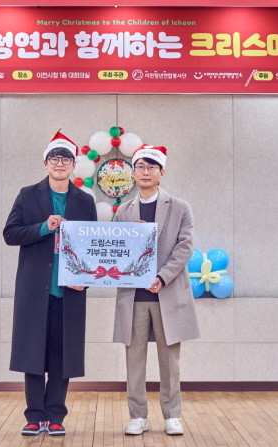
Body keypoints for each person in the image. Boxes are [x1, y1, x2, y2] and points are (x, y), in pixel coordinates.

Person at [3, 131, 97, 437]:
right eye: (54, 158)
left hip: (69, 292)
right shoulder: (28, 195)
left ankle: (56, 415)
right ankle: (34, 416)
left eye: (66, 159)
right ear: (45, 163)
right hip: (34, 291)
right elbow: (10, 234)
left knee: (61, 356)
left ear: (73, 166)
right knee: (32, 354)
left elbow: (93, 247)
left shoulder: (85, 201)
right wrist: (44, 227)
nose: (60, 163)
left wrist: (85, 280)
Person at [113, 144, 200, 436]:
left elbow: (184, 247)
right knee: (134, 359)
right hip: (133, 295)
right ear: (133, 172)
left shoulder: (180, 207)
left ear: (162, 172)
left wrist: (162, 277)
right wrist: (131, 237)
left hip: (167, 293)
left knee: (170, 360)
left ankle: (172, 415)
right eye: (140, 166)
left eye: (152, 167)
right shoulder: (123, 211)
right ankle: (138, 416)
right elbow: (116, 251)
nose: (145, 172)